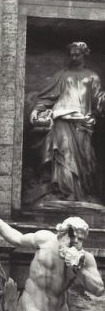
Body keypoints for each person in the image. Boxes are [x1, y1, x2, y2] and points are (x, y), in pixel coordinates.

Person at [0, 204, 104, 311]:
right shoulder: (45, 240)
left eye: (80, 239)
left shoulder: (85, 259)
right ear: (63, 233)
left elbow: (99, 289)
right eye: (72, 236)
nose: (76, 242)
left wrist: (78, 268)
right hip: (33, 306)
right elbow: (17, 238)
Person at [29, 41, 105, 202]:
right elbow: (49, 97)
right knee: (62, 153)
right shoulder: (62, 75)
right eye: (71, 54)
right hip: (61, 118)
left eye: (77, 54)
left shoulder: (92, 76)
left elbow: (98, 100)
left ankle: (81, 193)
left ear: (84, 54)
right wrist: (37, 110)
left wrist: (101, 102)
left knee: (85, 157)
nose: (74, 57)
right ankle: (62, 190)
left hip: (82, 121)